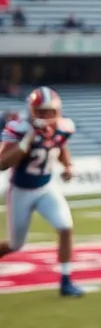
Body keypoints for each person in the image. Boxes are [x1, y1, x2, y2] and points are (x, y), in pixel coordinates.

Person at [0, 87, 84, 297]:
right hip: (21, 190)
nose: (47, 117)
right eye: (42, 112)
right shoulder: (18, 127)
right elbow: (2, 163)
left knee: (65, 226)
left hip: (46, 187)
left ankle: (66, 281)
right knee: (15, 244)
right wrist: (26, 141)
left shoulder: (64, 127)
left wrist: (68, 166)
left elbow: (61, 145)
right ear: (32, 111)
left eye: (50, 112)